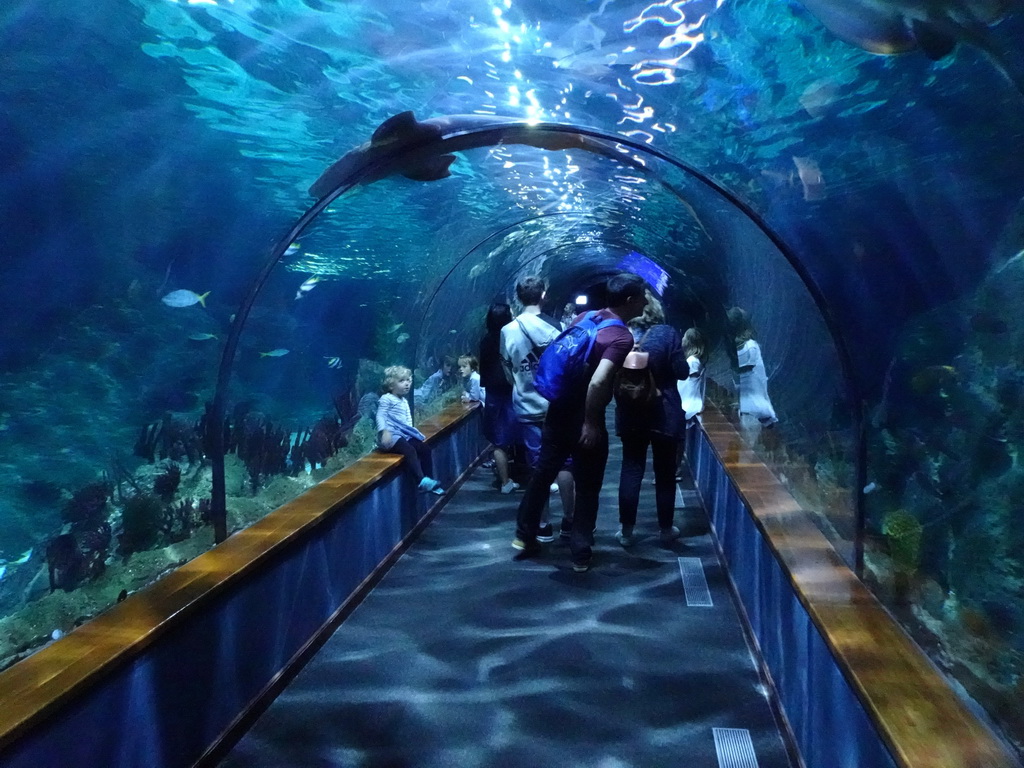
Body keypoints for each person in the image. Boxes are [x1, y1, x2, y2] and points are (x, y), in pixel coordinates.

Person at [513, 272, 648, 572]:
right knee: (588, 484)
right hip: (584, 415)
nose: (645, 301)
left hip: (557, 409)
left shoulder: (586, 317)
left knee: (543, 472)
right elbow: (599, 382)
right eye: (642, 296)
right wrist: (590, 422)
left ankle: (524, 535)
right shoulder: (621, 336)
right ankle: (580, 551)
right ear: (629, 301)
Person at [614, 293, 688, 546]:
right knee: (665, 473)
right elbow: (682, 372)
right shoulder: (668, 334)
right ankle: (665, 529)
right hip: (663, 412)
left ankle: (626, 531)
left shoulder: (623, 334)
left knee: (631, 468)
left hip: (630, 413)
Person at [501, 275, 572, 531]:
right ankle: (570, 520)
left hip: (527, 405)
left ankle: (543, 524)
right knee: (565, 463)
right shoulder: (558, 326)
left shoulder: (507, 330)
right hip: (557, 406)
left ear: (519, 298)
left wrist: (523, 384)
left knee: (538, 467)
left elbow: (507, 368)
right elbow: (568, 366)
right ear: (543, 295)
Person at [376, 365, 445, 495]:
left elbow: (408, 422)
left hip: (403, 435)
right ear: (391, 385)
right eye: (402, 381)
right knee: (409, 450)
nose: (407, 384)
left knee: (424, 448)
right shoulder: (386, 398)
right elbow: (380, 415)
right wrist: (384, 431)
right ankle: (420, 480)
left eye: (408, 380)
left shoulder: (404, 401)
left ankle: (428, 480)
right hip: (390, 435)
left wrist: (412, 434)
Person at [479, 303, 518, 493]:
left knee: (499, 440)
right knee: (524, 433)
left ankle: (505, 482)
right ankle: (532, 478)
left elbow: (484, 370)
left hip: (494, 393)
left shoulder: (486, 340)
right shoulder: (512, 337)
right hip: (514, 391)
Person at [727, 306, 778, 445]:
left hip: (748, 407)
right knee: (747, 450)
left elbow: (743, 377)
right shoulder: (751, 346)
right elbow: (756, 380)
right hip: (752, 407)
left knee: (746, 448)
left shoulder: (742, 348)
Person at [676, 327, 708, 477]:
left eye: (684, 338)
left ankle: (676, 467)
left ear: (689, 342)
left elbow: (689, 384)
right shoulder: (691, 360)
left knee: (677, 438)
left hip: (687, 404)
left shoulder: (692, 361)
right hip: (685, 402)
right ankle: (675, 466)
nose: (682, 340)